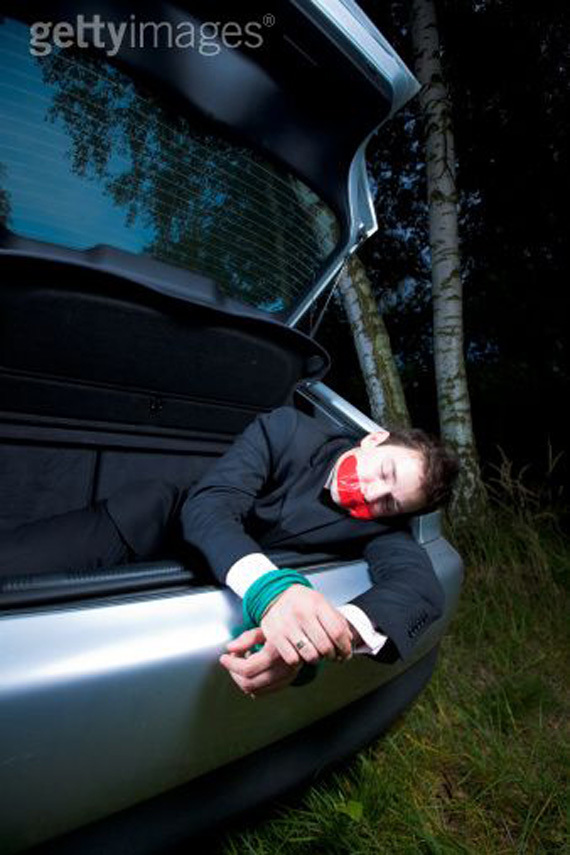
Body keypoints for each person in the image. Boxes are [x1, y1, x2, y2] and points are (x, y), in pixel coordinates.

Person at [0, 406, 459, 696]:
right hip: (142, 528)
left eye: (389, 502)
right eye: (385, 472)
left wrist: (328, 633)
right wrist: (274, 592)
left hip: (193, 596)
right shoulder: (288, 431)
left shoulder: (376, 527)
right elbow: (211, 506)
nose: (371, 493)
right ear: (374, 440)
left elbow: (421, 589)